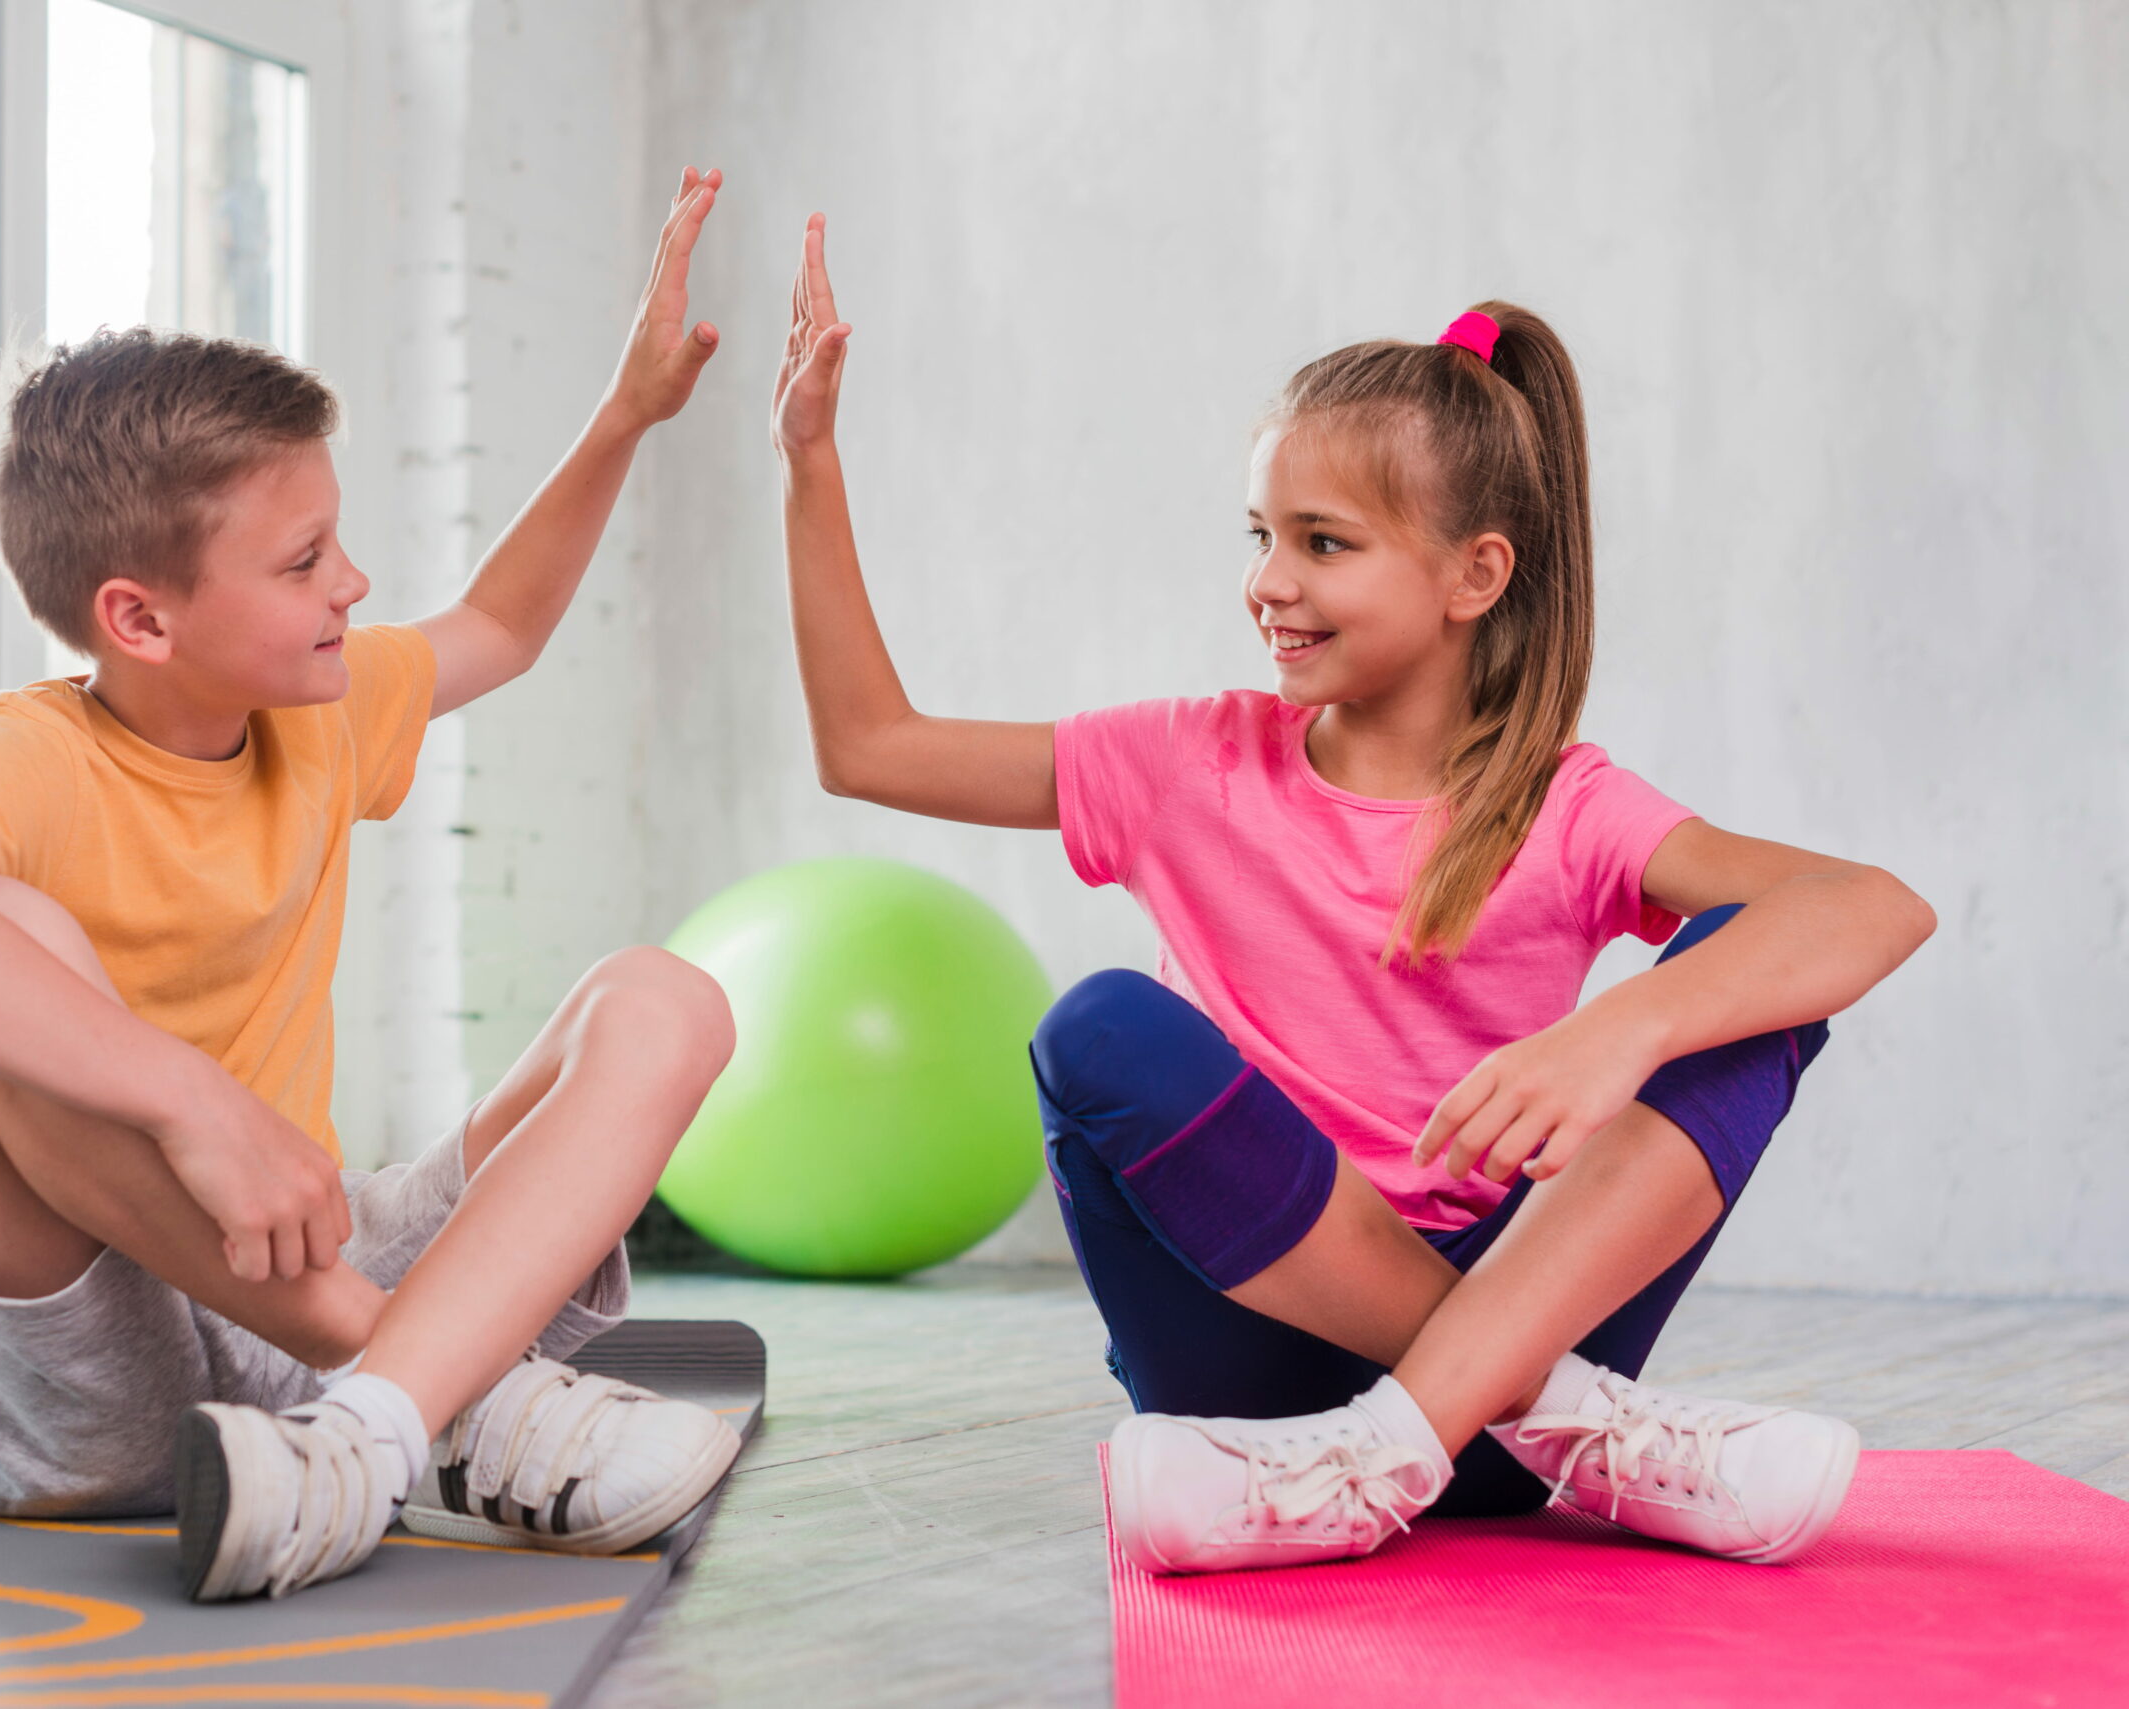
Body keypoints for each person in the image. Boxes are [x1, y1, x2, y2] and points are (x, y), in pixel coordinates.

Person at [766, 219, 1934, 1573]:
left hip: (1451, 1407)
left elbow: (1875, 909)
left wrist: (1626, 1026)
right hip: (1269, 1386)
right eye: (1262, 534)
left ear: (1473, 575)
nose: (1269, 582)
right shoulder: (1183, 760)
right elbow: (870, 746)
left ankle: (1394, 1447)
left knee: (1756, 976)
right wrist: (808, 464)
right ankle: (1557, 1415)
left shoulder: (1566, 802)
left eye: (1324, 543)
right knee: (1098, 1027)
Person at [0, 171, 744, 1604]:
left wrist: (624, 414)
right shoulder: (33, 756)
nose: (353, 582)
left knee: (664, 996)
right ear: (140, 617)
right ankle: (441, 1395)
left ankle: (371, 1423)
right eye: (305, 560)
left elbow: (498, 623)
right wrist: (194, 1098)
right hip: (63, 1373)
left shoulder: (320, 705)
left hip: (294, 1289)